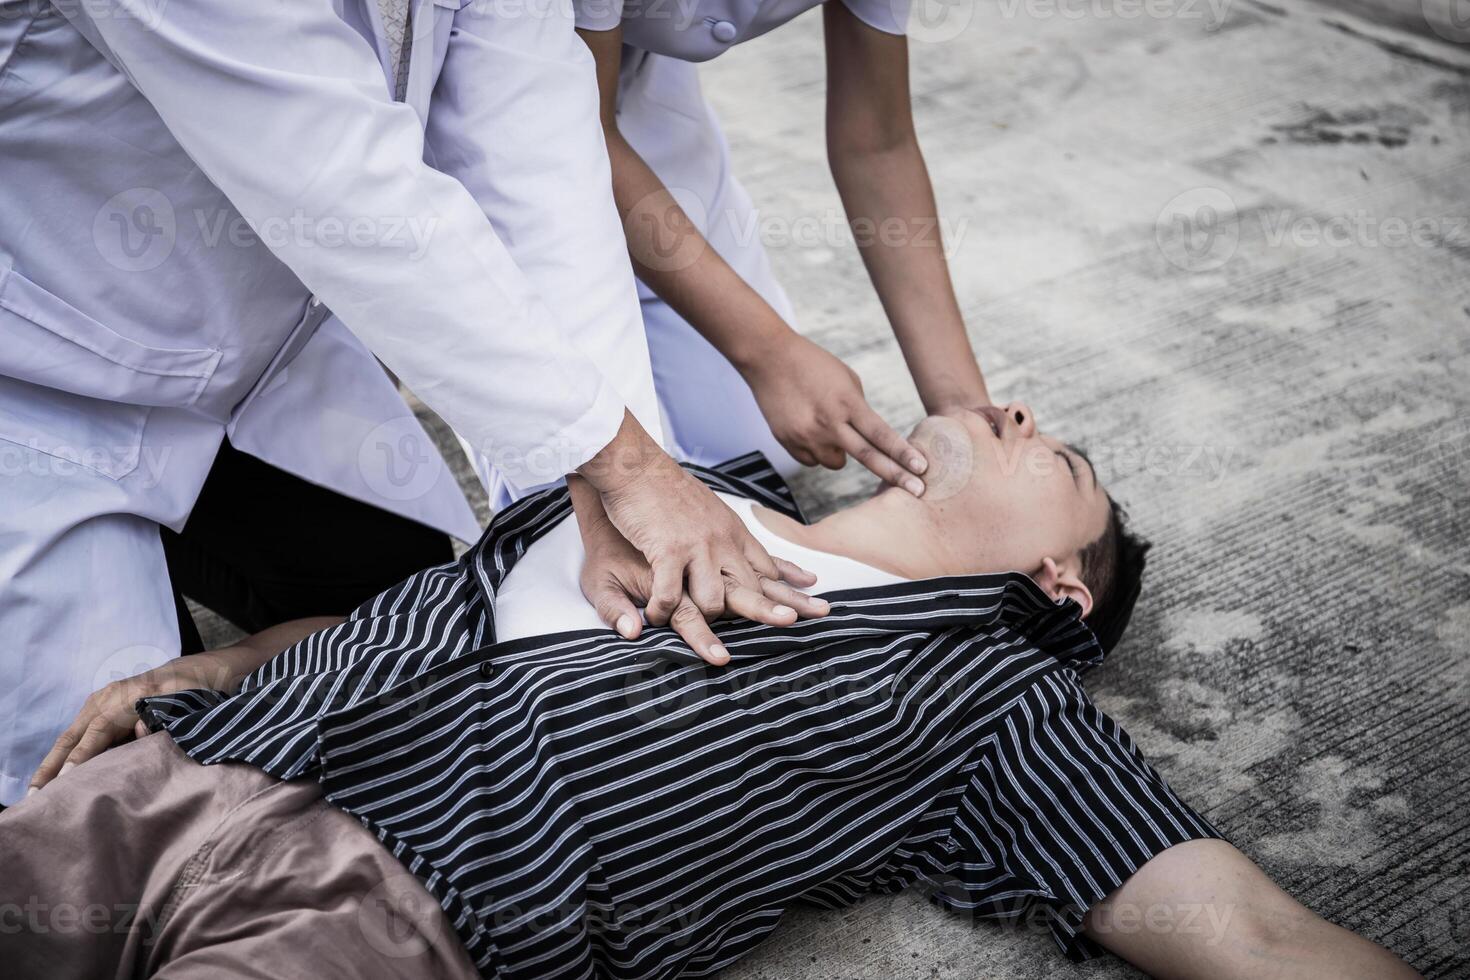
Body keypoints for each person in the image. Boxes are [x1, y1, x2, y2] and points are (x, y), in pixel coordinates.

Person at [8, 402, 1420, 980]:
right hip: (201, 769)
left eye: (1060, 460)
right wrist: (227, 661)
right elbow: (445, 606)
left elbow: (1245, 929)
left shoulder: (991, 702)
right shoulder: (689, 478)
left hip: (404, 908)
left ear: (1060, 579)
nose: (1018, 414)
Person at [0, 0, 816, 804]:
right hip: (37, 381)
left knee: (395, 619)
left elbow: (531, 159)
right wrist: (627, 465)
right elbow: (331, 172)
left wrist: (605, 491)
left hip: (244, 355)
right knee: (110, 795)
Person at [552, 0, 988, 496]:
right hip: (514, 122)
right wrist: (768, 350)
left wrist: (964, 409)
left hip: (647, 99)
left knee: (755, 458)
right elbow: (577, 135)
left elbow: (878, 144)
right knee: (577, 508)